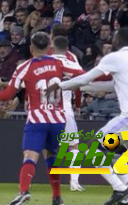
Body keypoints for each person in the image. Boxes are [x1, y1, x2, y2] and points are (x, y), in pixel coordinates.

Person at [47, 28, 128, 205]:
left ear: (117, 40)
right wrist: (80, 88)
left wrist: (60, 86)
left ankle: (121, 190)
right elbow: (112, 85)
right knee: (116, 156)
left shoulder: (114, 58)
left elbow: (85, 78)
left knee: (96, 150)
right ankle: (126, 200)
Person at [0, 32, 84, 205]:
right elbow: (82, 75)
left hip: (37, 120)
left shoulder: (25, 67)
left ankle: (23, 191)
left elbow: (8, 94)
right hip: (59, 120)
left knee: (30, 155)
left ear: (30, 48)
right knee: (51, 156)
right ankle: (57, 197)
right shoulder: (61, 62)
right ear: (49, 47)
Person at [50, 35, 85, 192]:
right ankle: (74, 182)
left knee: (39, 147)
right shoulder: (71, 60)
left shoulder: (44, 59)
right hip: (65, 110)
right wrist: (77, 104)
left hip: (45, 109)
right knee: (73, 146)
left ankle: (26, 184)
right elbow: (78, 84)